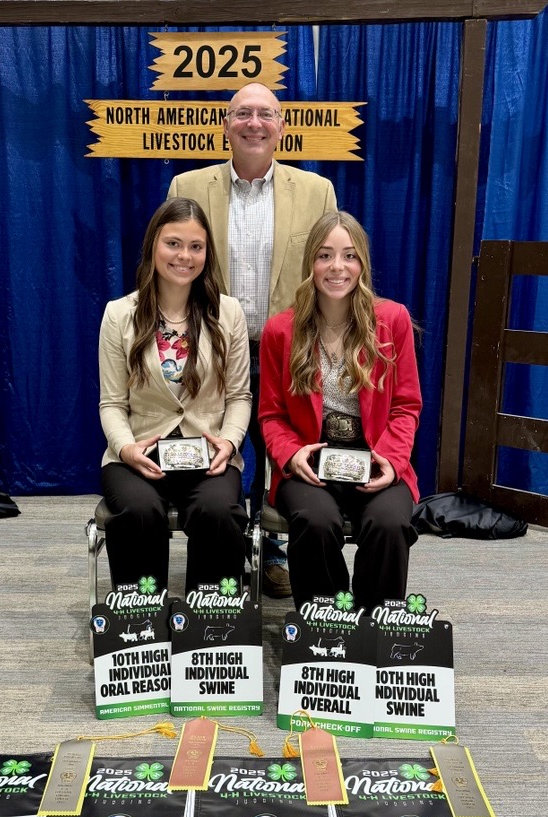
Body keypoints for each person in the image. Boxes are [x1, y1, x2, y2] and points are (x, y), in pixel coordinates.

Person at [168, 83, 337, 599]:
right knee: (218, 457)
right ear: (226, 124)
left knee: (284, 460)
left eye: (266, 114)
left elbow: (328, 271)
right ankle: (227, 552)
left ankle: (278, 555)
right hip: (212, 354)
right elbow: (176, 267)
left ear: (282, 127)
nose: (254, 123)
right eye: (243, 113)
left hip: (289, 354)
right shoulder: (188, 185)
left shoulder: (317, 191)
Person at [258, 211, 422, 612]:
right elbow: (271, 416)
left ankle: (374, 626)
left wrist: (393, 461)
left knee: (389, 523)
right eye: (325, 255)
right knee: (315, 522)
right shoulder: (281, 330)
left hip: (375, 458)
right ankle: (327, 624)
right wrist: (292, 455)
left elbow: (406, 405)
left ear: (362, 263)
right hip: (310, 461)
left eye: (349, 256)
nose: (337, 267)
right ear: (310, 263)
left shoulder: (392, 320)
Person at [98, 197, 251, 593]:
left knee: (218, 510)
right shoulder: (119, 314)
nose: (184, 256)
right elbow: (112, 403)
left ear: (207, 253)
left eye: (196, 246)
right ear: (153, 245)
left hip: (209, 451)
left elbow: (239, 396)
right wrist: (126, 448)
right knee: (139, 510)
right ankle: (142, 624)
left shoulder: (228, 313)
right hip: (138, 453)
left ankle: (210, 628)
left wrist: (230, 443)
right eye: (173, 243)